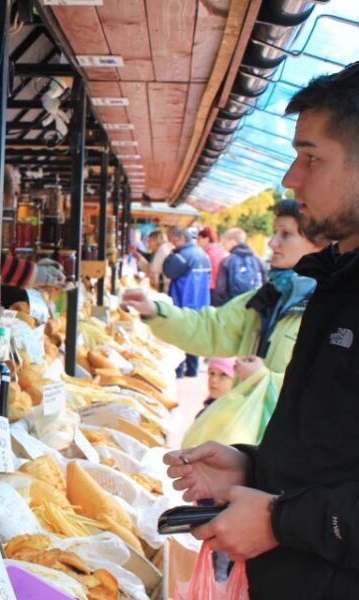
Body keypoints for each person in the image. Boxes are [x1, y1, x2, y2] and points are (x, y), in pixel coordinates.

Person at [165, 62, 359, 598]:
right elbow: (336, 450)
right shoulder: (335, 282)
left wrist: (279, 519)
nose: (291, 178)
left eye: (311, 157)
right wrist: (255, 469)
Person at [123, 200, 325, 390]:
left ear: (320, 244)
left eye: (286, 234)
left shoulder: (330, 309)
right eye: (274, 233)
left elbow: (329, 392)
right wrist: (155, 311)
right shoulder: (268, 297)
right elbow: (212, 329)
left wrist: (264, 380)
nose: (272, 242)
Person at [162, 226, 212, 377]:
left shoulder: (182, 256)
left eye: (172, 240)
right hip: (200, 302)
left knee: (179, 338)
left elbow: (169, 271)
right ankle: (193, 368)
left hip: (182, 300)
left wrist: (170, 255)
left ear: (180, 239)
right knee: (194, 336)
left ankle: (178, 370)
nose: (172, 243)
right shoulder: (202, 254)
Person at [213, 227, 268, 305]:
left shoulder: (227, 261)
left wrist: (217, 306)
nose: (223, 246)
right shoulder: (259, 261)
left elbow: (220, 290)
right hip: (254, 306)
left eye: (224, 243)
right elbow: (266, 285)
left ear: (232, 241)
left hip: (233, 306)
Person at [198, 226, 228, 300]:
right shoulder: (219, 250)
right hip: (219, 287)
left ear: (206, 239)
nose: (197, 242)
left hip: (211, 288)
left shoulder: (209, 254)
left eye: (199, 239)